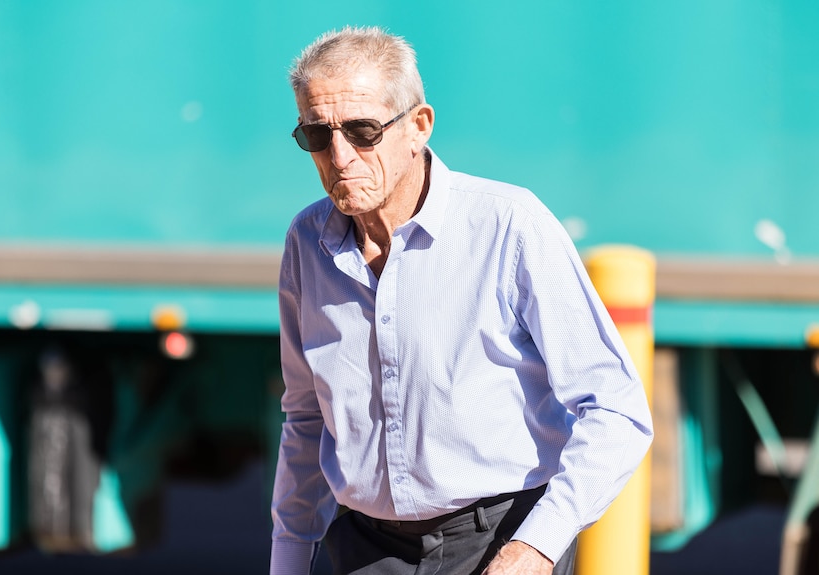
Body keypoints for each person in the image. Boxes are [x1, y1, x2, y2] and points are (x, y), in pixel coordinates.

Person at [271, 26, 653, 575]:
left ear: (418, 127)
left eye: (362, 131)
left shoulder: (508, 225)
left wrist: (536, 546)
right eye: (316, 135)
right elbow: (306, 418)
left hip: (500, 544)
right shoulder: (306, 242)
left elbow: (617, 409)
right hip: (365, 550)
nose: (339, 156)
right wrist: (286, 561)